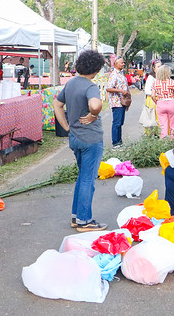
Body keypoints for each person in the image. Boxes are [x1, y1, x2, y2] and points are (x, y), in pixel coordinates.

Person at [53, 50, 107, 232]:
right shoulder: (90, 86)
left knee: (82, 177)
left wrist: (66, 126)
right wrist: (94, 114)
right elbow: (95, 104)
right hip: (90, 139)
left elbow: (57, 104)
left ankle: (76, 217)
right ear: (96, 69)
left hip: (75, 138)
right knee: (87, 180)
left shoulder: (71, 83)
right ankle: (85, 221)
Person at [105, 57, 129, 148]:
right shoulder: (114, 74)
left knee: (120, 123)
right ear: (116, 64)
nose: (123, 64)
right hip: (116, 102)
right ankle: (115, 143)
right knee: (117, 123)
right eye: (121, 63)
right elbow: (108, 88)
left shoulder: (121, 74)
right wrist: (121, 91)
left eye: (123, 62)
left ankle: (119, 141)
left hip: (122, 102)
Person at [152, 65, 174, 138]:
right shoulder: (172, 82)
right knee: (173, 124)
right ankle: (173, 140)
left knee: (162, 125)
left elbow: (152, 95)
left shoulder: (155, 83)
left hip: (160, 103)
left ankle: (163, 141)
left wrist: (156, 102)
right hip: (171, 102)